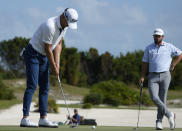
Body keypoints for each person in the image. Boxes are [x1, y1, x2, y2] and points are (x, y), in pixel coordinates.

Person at [20, 8, 78, 128]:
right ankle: (25, 119)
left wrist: (57, 65)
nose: (68, 25)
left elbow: (58, 44)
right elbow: (48, 48)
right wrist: (53, 66)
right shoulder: (50, 25)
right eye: (68, 22)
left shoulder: (64, 27)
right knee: (32, 85)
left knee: (45, 87)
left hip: (44, 56)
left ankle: (43, 118)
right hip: (33, 54)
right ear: (63, 16)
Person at [139, 28, 182, 130]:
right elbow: (145, 63)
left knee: (162, 99)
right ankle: (169, 114)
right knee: (154, 97)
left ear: (162, 37)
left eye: (158, 36)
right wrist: (142, 76)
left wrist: (174, 64)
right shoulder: (148, 48)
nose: (157, 37)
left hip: (165, 75)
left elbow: (180, 54)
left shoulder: (169, 46)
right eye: (155, 36)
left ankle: (159, 122)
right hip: (152, 76)